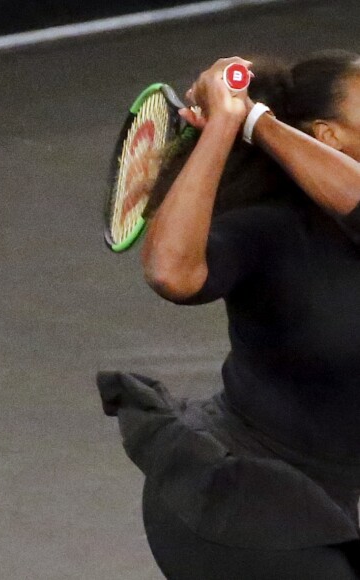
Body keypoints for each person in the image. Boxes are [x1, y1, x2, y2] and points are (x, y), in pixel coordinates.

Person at [97, 50, 360, 579]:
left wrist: (255, 122)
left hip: (337, 501)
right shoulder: (271, 232)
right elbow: (173, 273)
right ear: (327, 136)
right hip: (242, 510)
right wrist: (224, 127)